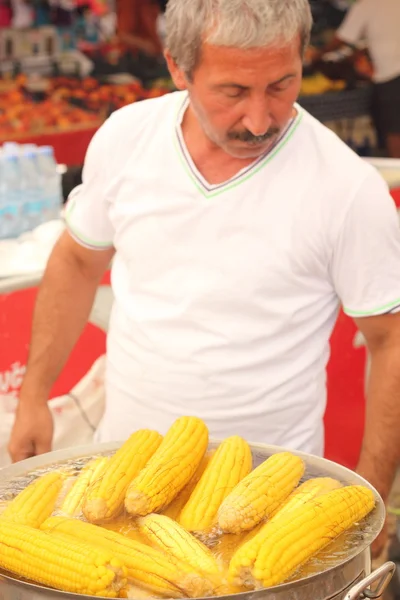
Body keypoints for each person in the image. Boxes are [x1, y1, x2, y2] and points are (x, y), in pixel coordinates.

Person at [8, 0, 400, 554]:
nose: (260, 120)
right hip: (119, 478)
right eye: (233, 92)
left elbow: (391, 340)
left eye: (282, 85)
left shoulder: (347, 188)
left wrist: (373, 493)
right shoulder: (128, 138)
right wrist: (34, 397)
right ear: (177, 67)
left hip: (268, 508)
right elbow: (76, 260)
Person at [314, 0, 400, 158]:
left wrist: (315, 56)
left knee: (394, 131)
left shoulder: (366, 5)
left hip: (391, 77)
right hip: (392, 74)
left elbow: (343, 39)